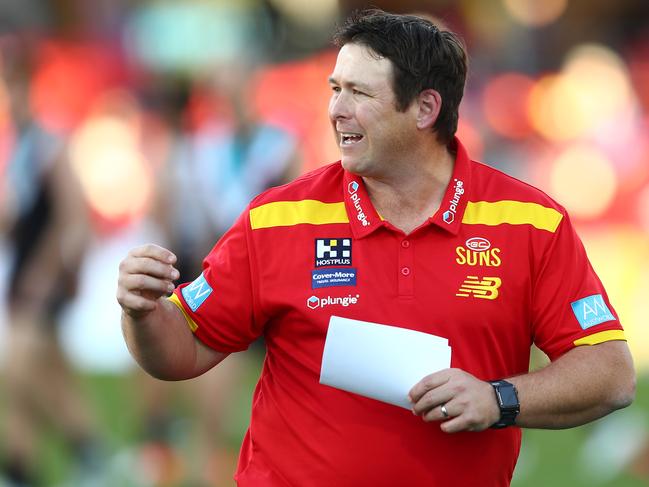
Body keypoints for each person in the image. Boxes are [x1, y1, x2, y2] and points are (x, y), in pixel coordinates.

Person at [116, 9, 636, 487]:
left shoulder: (528, 222)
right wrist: (142, 312)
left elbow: (610, 372)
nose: (336, 111)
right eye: (334, 88)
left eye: (359, 94)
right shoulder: (280, 217)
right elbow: (182, 349)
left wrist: (499, 398)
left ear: (426, 108)